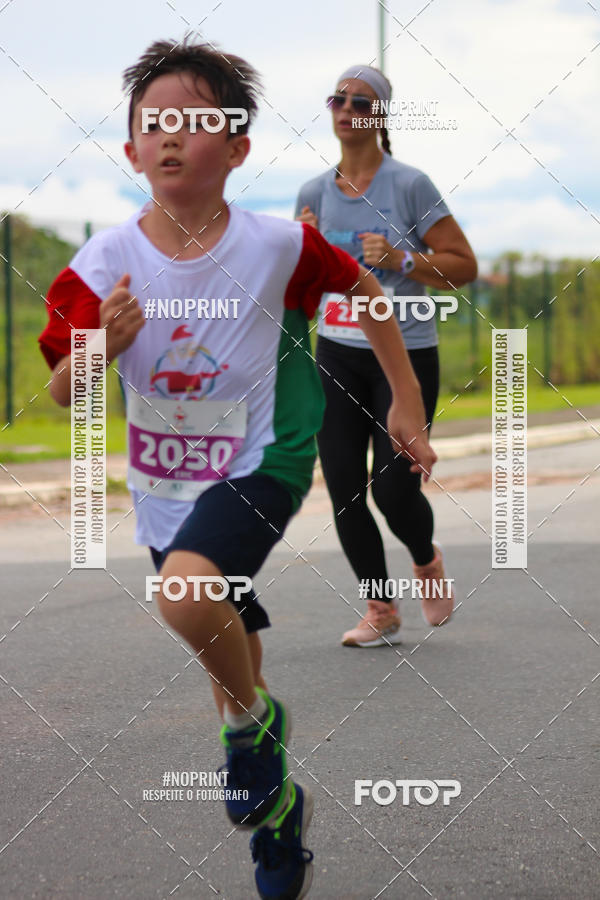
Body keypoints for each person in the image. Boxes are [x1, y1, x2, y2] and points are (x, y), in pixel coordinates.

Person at [39, 42, 436, 900]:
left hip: (263, 458)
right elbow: (65, 391)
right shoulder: (100, 264)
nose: (172, 137)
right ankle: (279, 800)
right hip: (163, 489)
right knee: (227, 657)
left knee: (185, 596)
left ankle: (253, 736)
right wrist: (97, 348)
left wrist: (403, 400)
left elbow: (366, 293)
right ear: (131, 150)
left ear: (239, 147)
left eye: (194, 120)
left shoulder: (278, 246)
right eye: (154, 124)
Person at [296, 65, 477, 648]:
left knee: (394, 491)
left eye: (361, 100)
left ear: (380, 115)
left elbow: (463, 267)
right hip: (338, 352)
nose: (347, 106)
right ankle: (380, 607)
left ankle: (425, 558)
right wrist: (300, 252)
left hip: (406, 357)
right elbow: (297, 288)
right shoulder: (311, 194)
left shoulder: (409, 185)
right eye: (338, 98)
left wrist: (402, 259)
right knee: (345, 487)